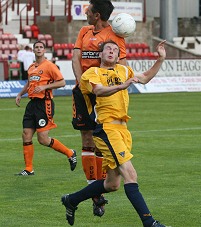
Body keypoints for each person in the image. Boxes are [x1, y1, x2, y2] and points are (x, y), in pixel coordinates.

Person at [61, 40, 167, 227]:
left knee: (112, 184)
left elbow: (144, 78)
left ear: (119, 57)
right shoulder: (92, 73)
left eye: (115, 50)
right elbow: (99, 91)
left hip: (123, 129)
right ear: (100, 55)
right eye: (108, 49)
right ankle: (149, 222)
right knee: (131, 175)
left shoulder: (124, 70)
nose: (111, 51)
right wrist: (121, 86)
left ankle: (71, 200)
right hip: (107, 129)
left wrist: (160, 59)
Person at [71, 0, 127, 217]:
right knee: (86, 139)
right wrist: (80, 81)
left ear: (97, 15)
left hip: (104, 94)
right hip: (84, 91)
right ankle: (94, 192)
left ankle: (100, 186)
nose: (86, 12)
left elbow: (122, 66)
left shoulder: (115, 36)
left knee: (100, 140)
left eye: (89, 10)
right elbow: (76, 56)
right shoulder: (84, 31)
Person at [14, 41, 77, 176]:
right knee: (26, 134)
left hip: (44, 104)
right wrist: (20, 94)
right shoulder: (31, 67)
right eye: (36, 47)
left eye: (41, 47)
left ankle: (70, 153)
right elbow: (29, 83)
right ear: (33, 50)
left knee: (42, 139)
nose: (38, 49)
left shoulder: (50, 66)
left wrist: (44, 87)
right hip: (32, 104)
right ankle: (29, 168)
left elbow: (62, 82)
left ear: (44, 50)